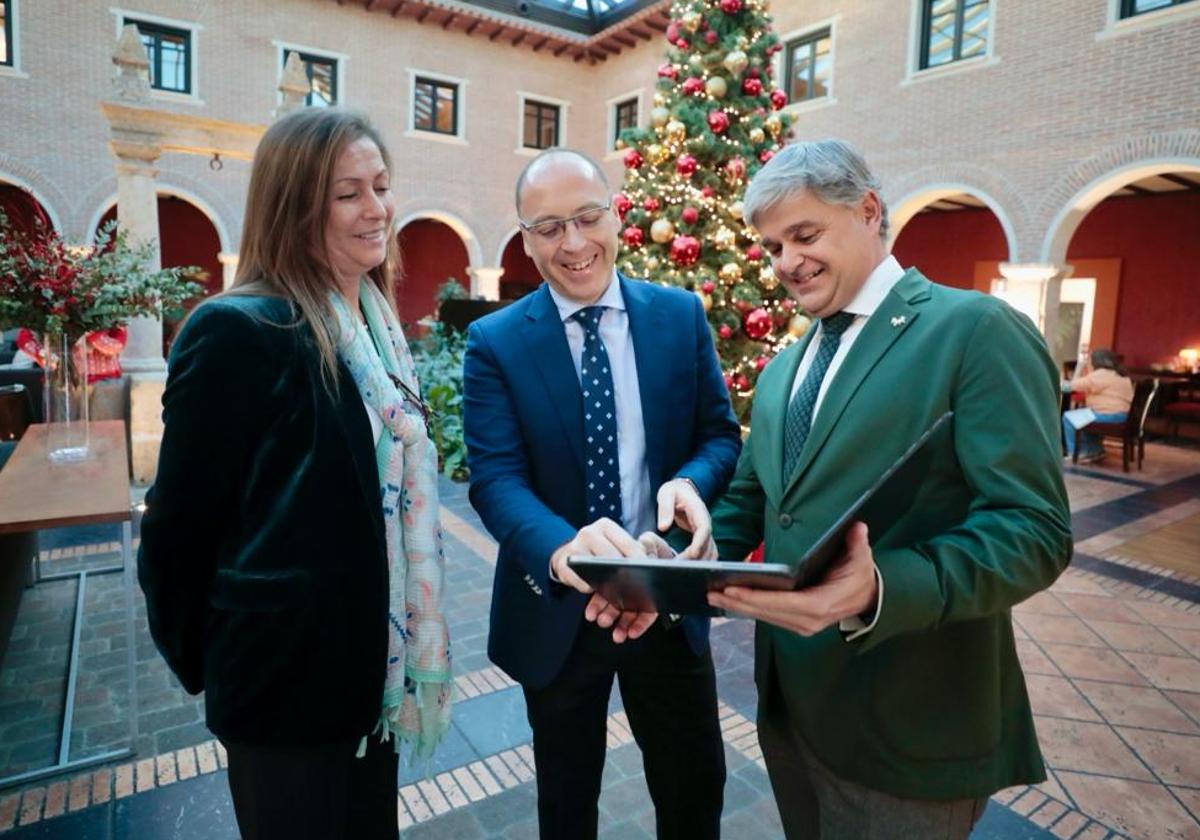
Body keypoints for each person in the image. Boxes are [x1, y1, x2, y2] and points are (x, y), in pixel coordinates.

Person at [699, 140, 1073, 839]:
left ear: (869, 211)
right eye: (772, 245)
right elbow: (751, 501)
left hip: (912, 727)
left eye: (805, 235)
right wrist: (669, 557)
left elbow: (1035, 531)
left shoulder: (975, 330)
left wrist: (881, 588)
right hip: (788, 713)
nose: (785, 263)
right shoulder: (782, 370)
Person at [137, 108, 451, 840]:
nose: (376, 209)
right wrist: (221, 661)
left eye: (380, 185)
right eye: (348, 193)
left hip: (375, 680)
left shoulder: (374, 324)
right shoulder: (241, 330)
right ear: (295, 205)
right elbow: (176, 533)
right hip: (283, 692)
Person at [462, 148, 740, 840]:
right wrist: (565, 551)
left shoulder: (679, 316)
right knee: (566, 804)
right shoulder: (494, 342)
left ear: (616, 214)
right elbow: (496, 479)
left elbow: (718, 436)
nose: (575, 243)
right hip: (558, 611)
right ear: (525, 240)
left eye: (588, 218)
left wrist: (689, 484)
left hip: (666, 602)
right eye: (550, 228)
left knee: (694, 791)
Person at [1063, 347, 1133, 461]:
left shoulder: (1101, 375)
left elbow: (1071, 386)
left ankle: (1079, 452)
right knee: (1087, 415)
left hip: (1110, 416)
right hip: (1125, 416)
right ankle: (1096, 451)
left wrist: (1080, 367)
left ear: (1095, 362)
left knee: (1069, 417)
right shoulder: (1121, 374)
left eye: (1090, 360)